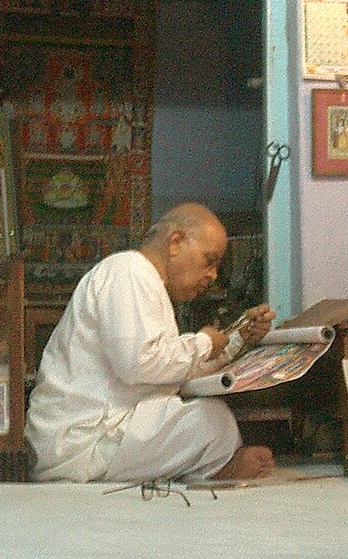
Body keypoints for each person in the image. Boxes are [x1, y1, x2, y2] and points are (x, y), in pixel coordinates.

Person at [25, 203, 277, 483]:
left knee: (211, 418)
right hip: (80, 443)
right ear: (176, 242)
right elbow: (138, 363)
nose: (213, 275)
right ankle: (214, 469)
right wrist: (204, 343)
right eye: (210, 261)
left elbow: (168, 370)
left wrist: (238, 340)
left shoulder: (145, 280)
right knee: (212, 421)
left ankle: (208, 467)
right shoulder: (128, 270)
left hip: (103, 434)